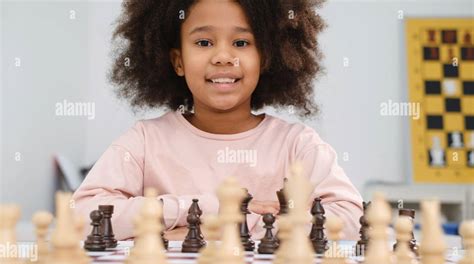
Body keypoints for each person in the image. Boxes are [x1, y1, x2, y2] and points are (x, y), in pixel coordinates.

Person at [72, 0, 363, 241]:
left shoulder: (298, 145)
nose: (224, 57)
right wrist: (205, 209)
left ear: (264, 58)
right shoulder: (144, 141)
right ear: (178, 61)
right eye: (203, 42)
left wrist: (228, 226)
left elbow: (352, 220)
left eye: (240, 42)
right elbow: (82, 216)